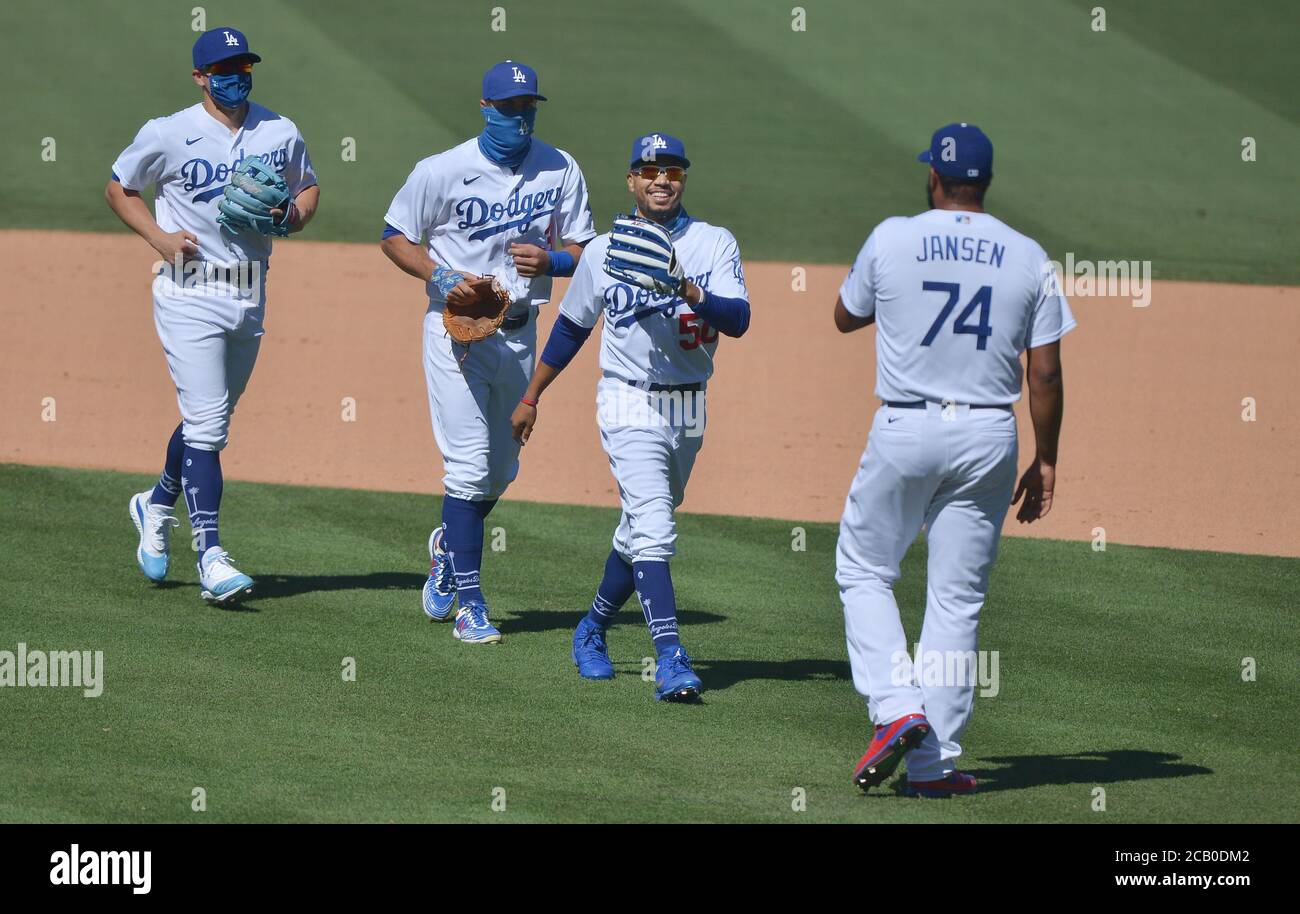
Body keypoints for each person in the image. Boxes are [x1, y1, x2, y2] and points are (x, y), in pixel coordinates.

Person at [836, 124, 1075, 795]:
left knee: (864, 569)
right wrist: (1047, 459)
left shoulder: (892, 236)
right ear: (986, 182)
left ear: (933, 179)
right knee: (956, 601)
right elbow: (1046, 376)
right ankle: (932, 767)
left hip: (908, 426)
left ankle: (895, 708)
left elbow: (844, 316)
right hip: (989, 437)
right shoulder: (1029, 256)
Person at [511, 133, 751, 701]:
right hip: (627, 399)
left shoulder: (714, 243)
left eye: (670, 171)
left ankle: (592, 627)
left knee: (643, 526)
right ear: (631, 181)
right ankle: (670, 656)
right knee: (656, 526)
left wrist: (688, 289)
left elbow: (738, 320)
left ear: (683, 178)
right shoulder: (603, 250)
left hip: (689, 401)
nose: (660, 180)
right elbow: (573, 327)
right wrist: (532, 394)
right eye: (648, 171)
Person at [381, 60, 594, 644]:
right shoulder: (441, 170)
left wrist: (553, 261)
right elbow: (395, 236)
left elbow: (583, 248)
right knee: (469, 467)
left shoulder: (560, 167)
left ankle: (449, 543)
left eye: (528, 108)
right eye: (509, 108)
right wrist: (439, 273)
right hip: (456, 335)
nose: (520, 118)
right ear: (485, 108)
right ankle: (472, 606)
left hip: (522, 333)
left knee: (500, 472)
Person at [107, 26, 319, 603]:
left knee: (210, 417)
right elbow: (119, 188)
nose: (236, 77)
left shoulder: (279, 129)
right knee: (209, 426)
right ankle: (211, 556)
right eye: (223, 69)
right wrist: (157, 236)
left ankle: (154, 504)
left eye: (244, 67)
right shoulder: (168, 132)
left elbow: (307, 188)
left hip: (251, 292)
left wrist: (292, 218)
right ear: (200, 77)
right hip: (187, 292)